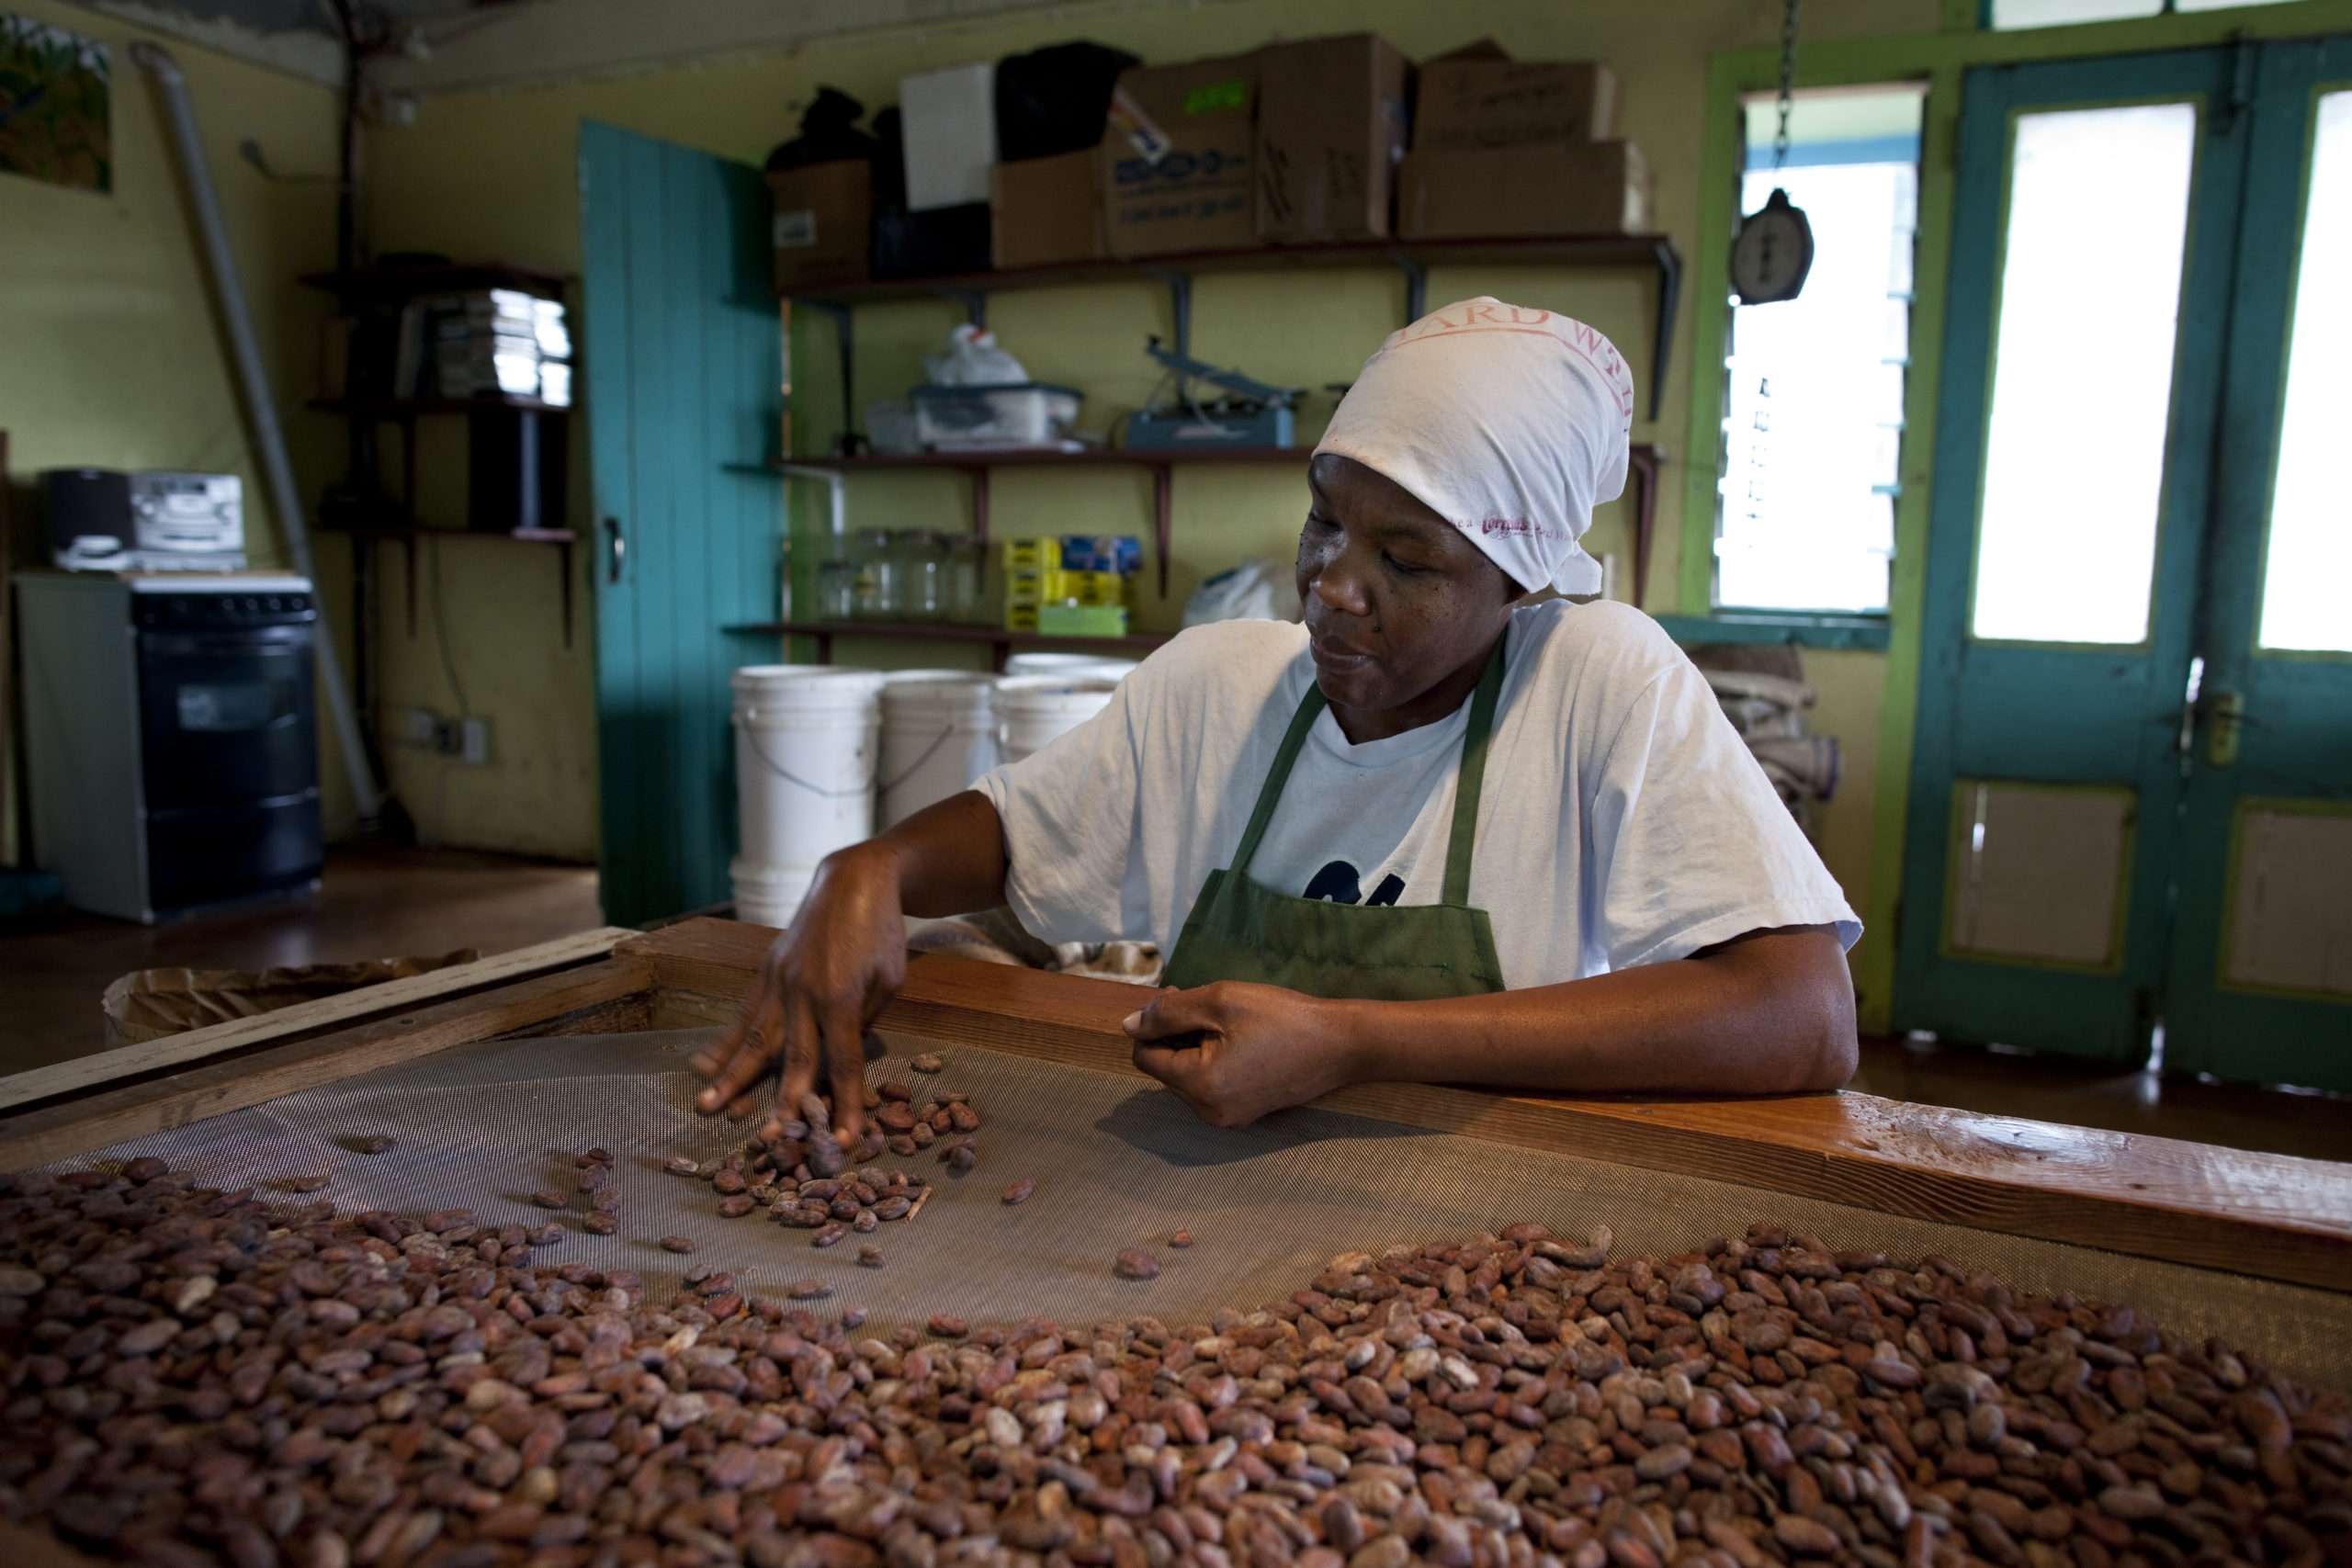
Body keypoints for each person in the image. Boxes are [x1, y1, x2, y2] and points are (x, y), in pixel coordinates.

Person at [695, 299, 1860, 1142]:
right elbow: (1013, 836)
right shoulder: (1221, 684)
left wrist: (1354, 1040)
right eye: (1322, 524)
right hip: (1198, 1223)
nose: (1330, 585)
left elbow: (1800, 1015)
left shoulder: (1595, 684)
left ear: (1521, 582)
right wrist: (869, 867)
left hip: (1493, 1218)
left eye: (1405, 558)